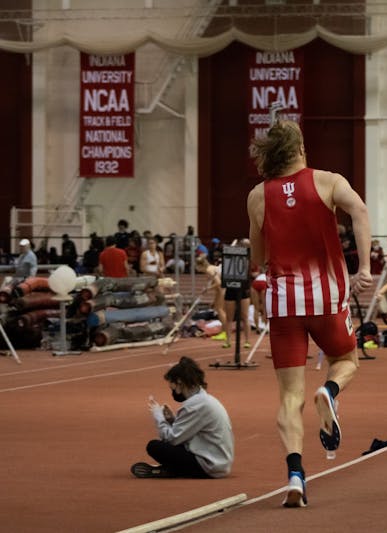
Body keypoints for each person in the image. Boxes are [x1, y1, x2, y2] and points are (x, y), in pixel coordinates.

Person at [247, 120, 372, 508]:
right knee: (346, 361)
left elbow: (257, 257)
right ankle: (329, 391)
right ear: (300, 148)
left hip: (284, 302)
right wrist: (364, 267)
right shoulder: (328, 181)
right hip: (326, 298)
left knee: (289, 396)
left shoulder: (257, 196)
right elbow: (360, 211)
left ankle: (296, 476)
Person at [131, 357, 233, 479]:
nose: (173, 392)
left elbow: (171, 439)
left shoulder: (194, 405)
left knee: (154, 446)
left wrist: (159, 416)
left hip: (209, 466)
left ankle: (174, 470)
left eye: (172, 388)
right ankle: (173, 469)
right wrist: (172, 420)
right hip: (219, 462)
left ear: (179, 382)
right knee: (170, 447)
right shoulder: (203, 400)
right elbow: (189, 432)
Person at [223, 239, 252, 350]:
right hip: (230, 288)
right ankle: (228, 340)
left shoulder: (248, 257)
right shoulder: (231, 255)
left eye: (247, 246)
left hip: (243, 289)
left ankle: (247, 341)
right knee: (229, 317)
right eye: (244, 245)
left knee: (245, 316)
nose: (246, 247)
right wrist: (234, 245)